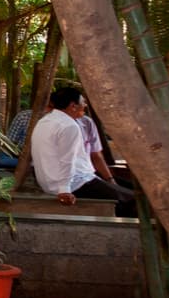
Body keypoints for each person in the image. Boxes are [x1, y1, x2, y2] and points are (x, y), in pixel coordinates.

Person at [29, 85, 135, 216]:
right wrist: (64, 190)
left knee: (126, 193)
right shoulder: (69, 126)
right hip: (74, 183)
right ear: (73, 106)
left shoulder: (44, 121)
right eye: (83, 102)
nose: (85, 105)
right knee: (131, 201)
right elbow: (67, 160)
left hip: (53, 182)